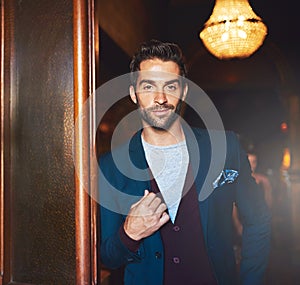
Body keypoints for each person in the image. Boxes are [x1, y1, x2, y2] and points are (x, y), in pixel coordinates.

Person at [99, 39, 271, 285]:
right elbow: (108, 256)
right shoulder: (110, 167)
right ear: (133, 94)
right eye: (148, 87)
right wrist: (129, 234)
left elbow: (258, 221)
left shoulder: (226, 148)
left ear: (184, 92)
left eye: (170, 86)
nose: (160, 98)